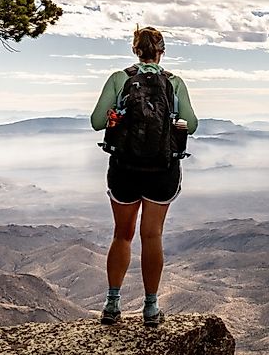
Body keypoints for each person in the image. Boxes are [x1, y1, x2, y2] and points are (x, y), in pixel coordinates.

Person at [90, 26, 198, 327]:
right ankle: (150, 309)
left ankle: (112, 305)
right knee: (152, 236)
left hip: (124, 168)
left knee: (122, 235)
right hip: (161, 171)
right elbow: (192, 124)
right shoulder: (173, 82)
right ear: (161, 51)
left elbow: (97, 121)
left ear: (135, 50)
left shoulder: (119, 78)